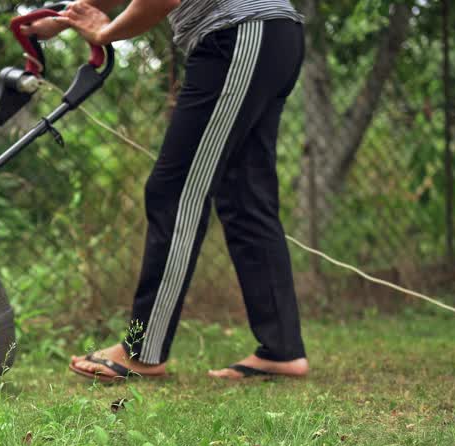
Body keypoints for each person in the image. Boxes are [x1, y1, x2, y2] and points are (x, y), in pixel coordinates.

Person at [24, 0, 310, 382]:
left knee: (175, 192)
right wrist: (64, 20)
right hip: (266, 32)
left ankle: (144, 350)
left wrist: (105, 33)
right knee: (244, 196)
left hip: (238, 33)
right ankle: (282, 350)